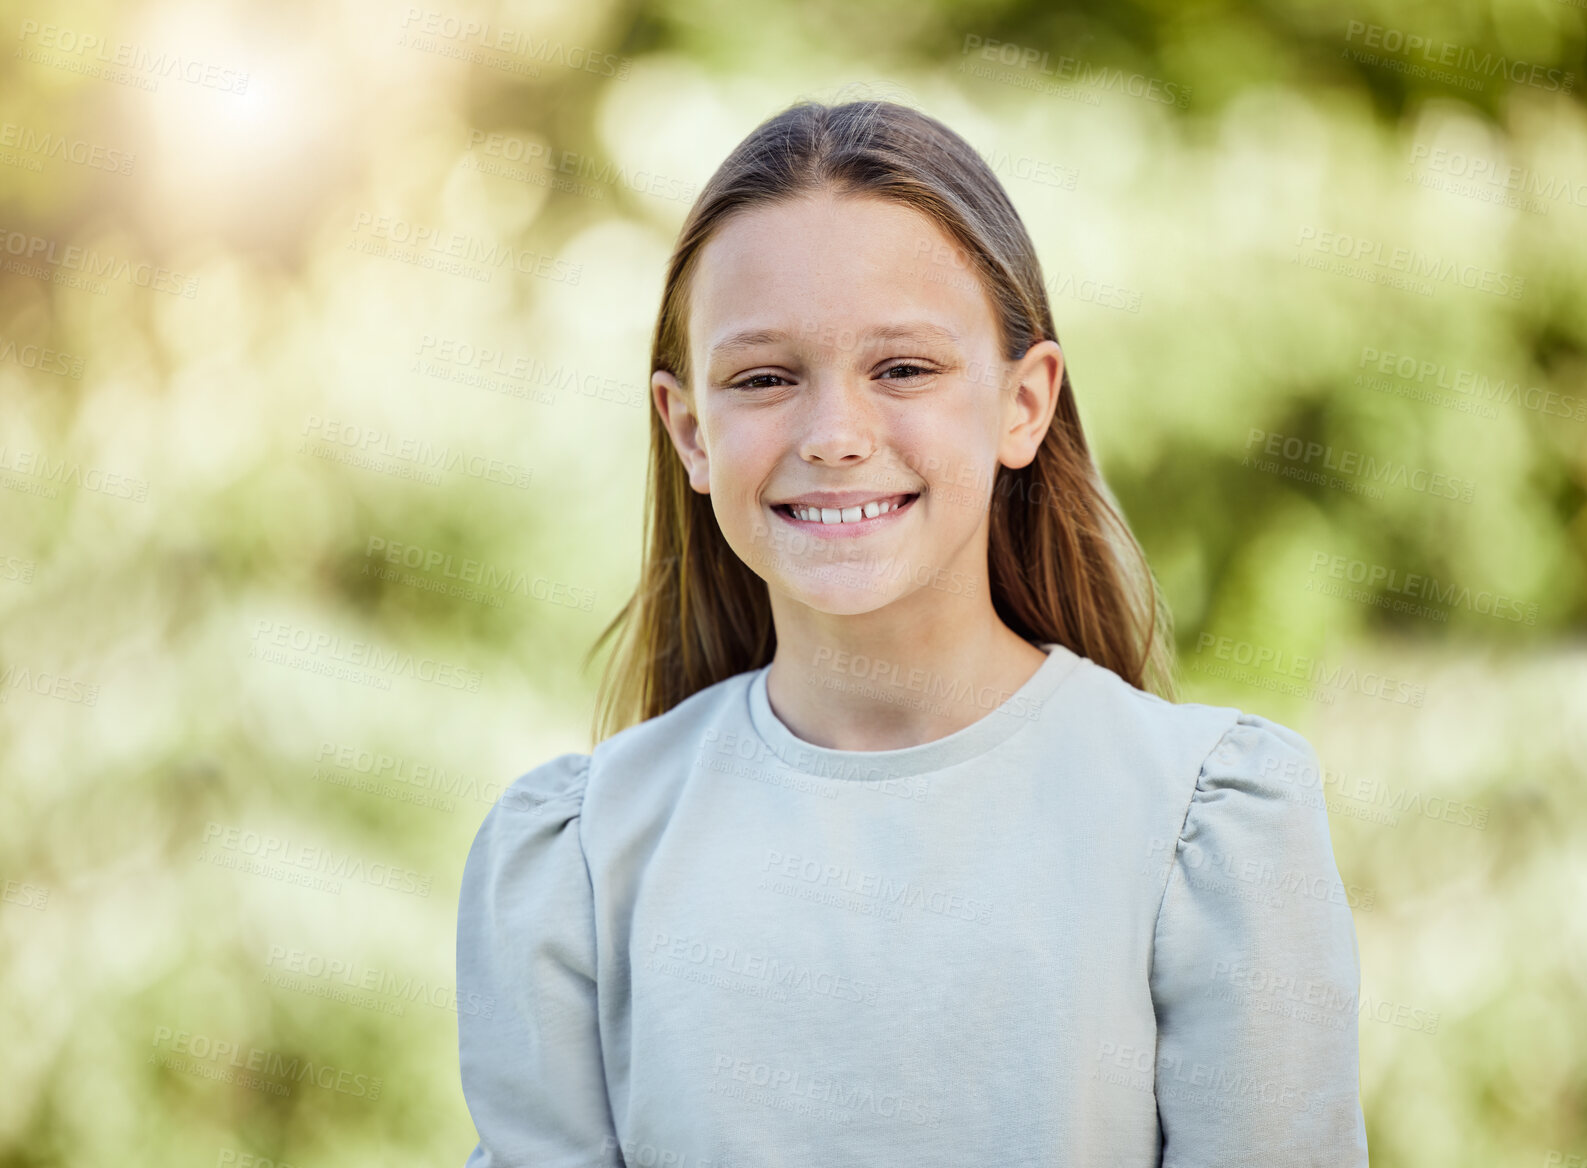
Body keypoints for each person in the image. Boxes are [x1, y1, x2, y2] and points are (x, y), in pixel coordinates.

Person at [455, 99, 1368, 1167]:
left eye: (902, 368)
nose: (834, 435)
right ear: (689, 430)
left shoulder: (1203, 826)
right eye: (763, 378)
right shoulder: (579, 858)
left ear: (1023, 405)